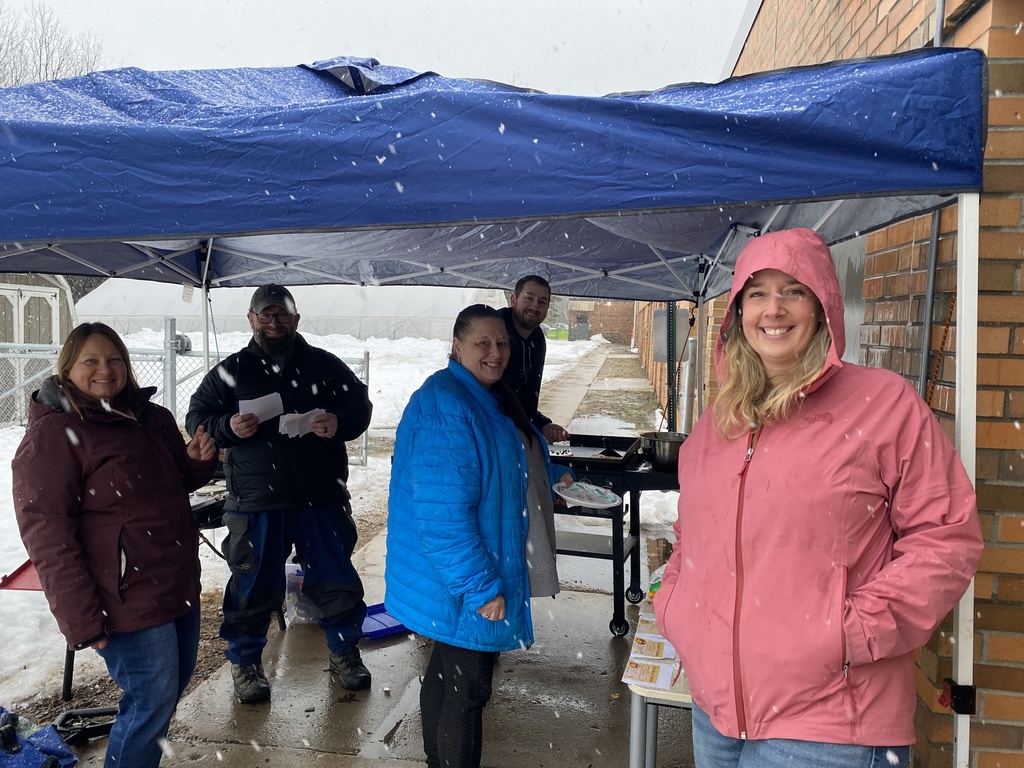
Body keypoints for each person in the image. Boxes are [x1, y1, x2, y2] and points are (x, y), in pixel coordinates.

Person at [653, 228, 983, 768]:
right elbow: (694, 534)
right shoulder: (718, 423)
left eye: (794, 290)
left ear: (823, 305)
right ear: (737, 313)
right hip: (715, 712)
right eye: (756, 293)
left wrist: (846, 633)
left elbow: (947, 540)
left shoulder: (884, 405)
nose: (773, 308)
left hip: (832, 721)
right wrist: (677, 610)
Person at [12, 322, 218, 768]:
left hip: (173, 580)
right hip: (122, 593)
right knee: (150, 698)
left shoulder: (151, 417)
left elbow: (171, 485)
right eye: (90, 361)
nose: (104, 369)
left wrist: (195, 464)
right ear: (68, 368)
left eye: (114, 359)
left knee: (166, 692)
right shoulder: (55, 433)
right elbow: (47, 535)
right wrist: (81, 618)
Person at [385, 304, 573, 768]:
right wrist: (479, 588)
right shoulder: (446, 403)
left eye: (503, 343)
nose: (496, 352)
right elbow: (442, 516)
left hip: (471, 566)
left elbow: (511, 451)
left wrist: (555, 474)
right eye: (483, 343)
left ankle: (437, 760)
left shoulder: (488, 395)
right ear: (456, 345)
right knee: (470, 688)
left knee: (449, 675)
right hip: (458, 575)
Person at [186, 284, 373, 703]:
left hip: (320, 497)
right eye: (265, 315)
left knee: (335, 579)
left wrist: (337, 422)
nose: (274, 322)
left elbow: (359, 405)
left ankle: (345, 652)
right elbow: (196, 415)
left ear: (296, 319)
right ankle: (246, 662)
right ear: (251, 319)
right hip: (256, 502)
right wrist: (226, 428)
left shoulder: (324, 365)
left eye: (282, 315)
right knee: (252, 585)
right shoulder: (231, 370)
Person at [498, 275, 569, 442]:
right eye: (529, 298)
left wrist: (541, 423)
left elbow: (521, 400)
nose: (535, 306)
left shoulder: (537, 339)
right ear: (513, 299)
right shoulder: (497, 332)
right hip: (490, 439)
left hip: (515, 440)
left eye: (542, 302)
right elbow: (488, 399)